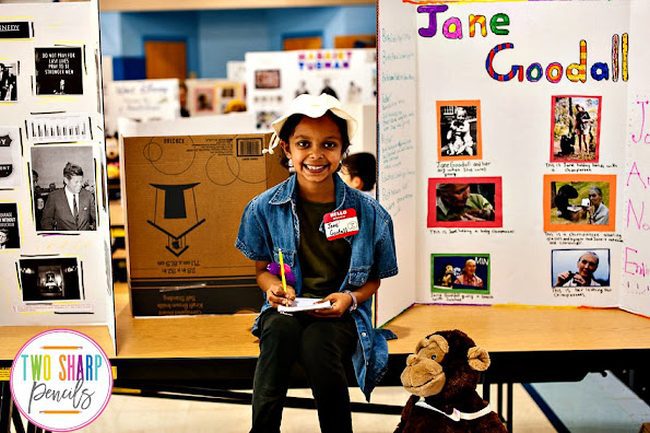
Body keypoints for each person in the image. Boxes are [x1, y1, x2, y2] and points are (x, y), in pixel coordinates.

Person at [235, 93, 398, 433]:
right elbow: (260, 270)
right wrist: (273, 289)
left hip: (339, 312)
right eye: (303, 143)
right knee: (277, 331)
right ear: (286, 149)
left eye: (329, 144)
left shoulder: (370, 214)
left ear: (343, 151)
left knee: (317, 343)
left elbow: (374, 280)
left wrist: (350, 299)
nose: (315, 155)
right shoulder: (263, 208)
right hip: (286, 309)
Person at [40, 162, 96, 231]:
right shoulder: (54, 197)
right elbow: (46, 222)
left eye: (81, 181)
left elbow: (97, 219)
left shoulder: (88, 195)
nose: (80, 185)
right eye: (76, 182)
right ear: (66, 180)